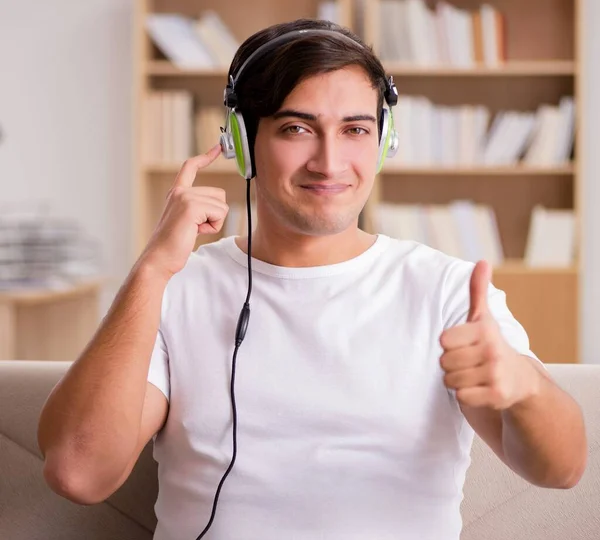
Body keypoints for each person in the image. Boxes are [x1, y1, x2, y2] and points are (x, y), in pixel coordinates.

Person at [37, 18, 587, 540]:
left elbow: (563, 470)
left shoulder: (449, 291)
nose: (329, 162)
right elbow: (80, 474)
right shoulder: (173, 288)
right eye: (297, 128)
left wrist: (524, 386)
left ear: (384, 141)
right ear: (241, 142)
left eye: (355, 130)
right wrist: (153, 267)